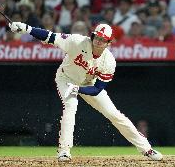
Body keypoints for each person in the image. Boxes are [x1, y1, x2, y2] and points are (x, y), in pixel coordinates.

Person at [9, 21, 163, 162]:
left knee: (114, 114)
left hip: (89, 84)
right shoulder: (77, 41)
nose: (98, 41)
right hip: (66, 78)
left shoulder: (109, 61)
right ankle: (64, 151)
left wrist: (78, 89)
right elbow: (51, 37)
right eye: (97, 37)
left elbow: (97, 89)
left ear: (109, 43)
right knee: (71, 106)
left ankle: (146, 149)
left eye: (103, 39)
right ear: (92, 35)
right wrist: (26, 28)